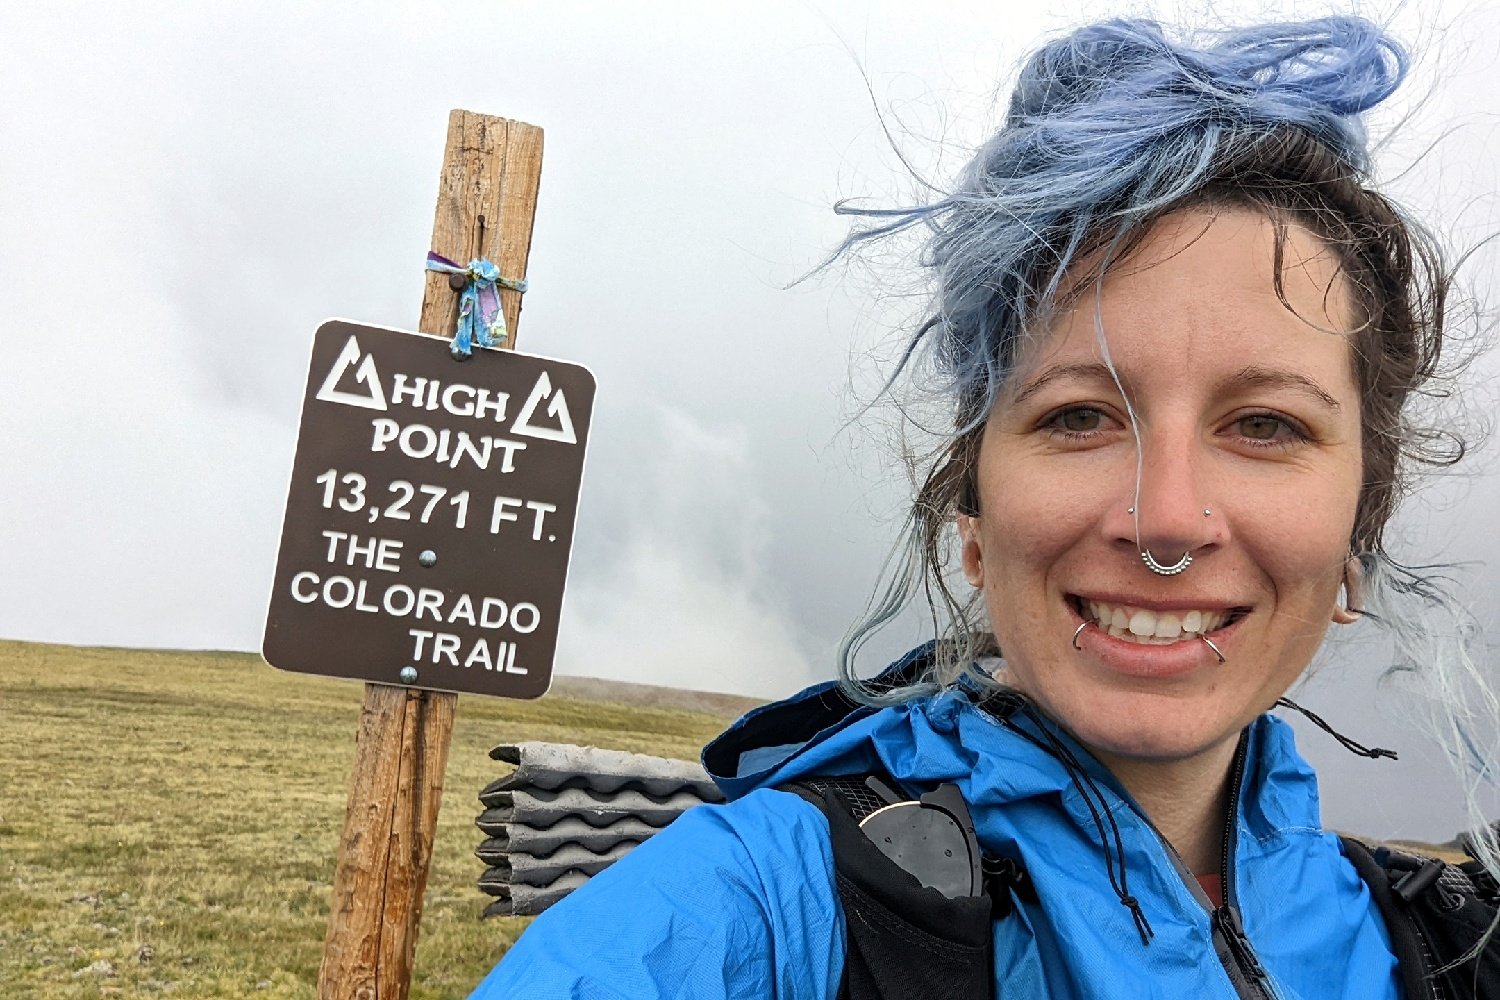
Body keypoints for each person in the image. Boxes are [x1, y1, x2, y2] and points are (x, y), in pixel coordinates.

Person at [469, 14, 1499, 999]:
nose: (1169, 520)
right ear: (972, 523)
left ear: (1359, 534)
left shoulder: (1454, 944)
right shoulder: (769, 910)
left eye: (1266, 425)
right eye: (1080, 416)